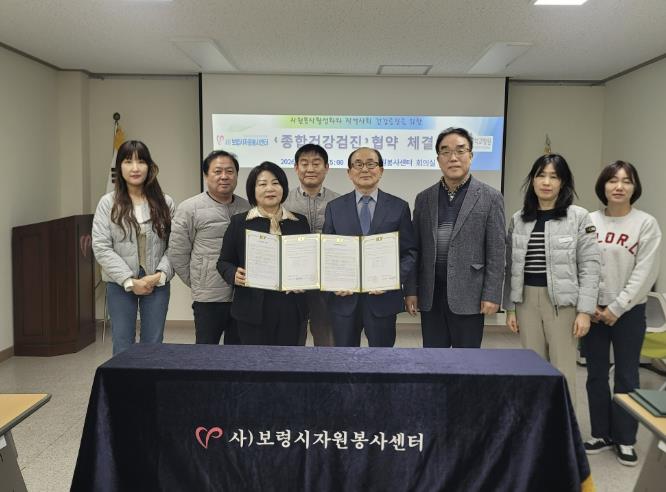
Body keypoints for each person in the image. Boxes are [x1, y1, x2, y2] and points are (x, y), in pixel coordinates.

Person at [504, 153, 600, 407]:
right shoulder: (519, 218)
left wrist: (584, 311)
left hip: (562, 304)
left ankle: (564, 429)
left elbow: (590, 266)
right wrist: (511, 307)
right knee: (532, 369)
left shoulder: (578, 217)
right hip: (526, 302)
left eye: (554, 177)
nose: (546, 182)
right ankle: (537, 425)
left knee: (562, 371)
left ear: (563, 182)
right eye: (541, 176)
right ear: (532, 180)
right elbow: (511, 266)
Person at [583, 161, 661, 466]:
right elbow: (580, 264)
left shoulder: (646, 224)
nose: (619, 187)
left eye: (626, 181)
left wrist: (617, 307)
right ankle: (601, 433)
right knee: (596, 374)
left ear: (634, 187)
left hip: (629, 312)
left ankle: (626, 438)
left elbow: (646, 272)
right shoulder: (589, 221)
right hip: (592, 312)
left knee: (627, 375)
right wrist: (590, 305)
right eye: (613, 180)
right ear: (603, 186)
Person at [405, 127, 505, 348]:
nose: (453, 158)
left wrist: (492, 294)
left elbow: (497, 252)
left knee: (467, 361)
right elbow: (415, 249)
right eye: (445, 152)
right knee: (434, 359)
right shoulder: (424, 198)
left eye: (460, 151)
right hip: (431, 295)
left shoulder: (491, 197)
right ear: (438, 159)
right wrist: (411, 290)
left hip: (470, 294)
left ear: (471, 155)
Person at [322, 147, 417, 347]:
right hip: (344, 300)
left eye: (371, 164)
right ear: (349, 173)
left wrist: (392, 279)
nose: (365, 169)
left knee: (382, 357)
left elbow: (409, 253)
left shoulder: (399, 207)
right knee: (345, 357)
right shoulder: (334, 207)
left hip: (383, 300)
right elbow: (326, 252)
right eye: (358, 164)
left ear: (380, 170)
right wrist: (333, 283)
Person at [92, 140, 174, 355]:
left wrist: (159, 275)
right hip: (120, 283)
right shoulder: (107, 203)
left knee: (153, 343)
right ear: (120, 167)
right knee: (122, 343)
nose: (135, 168)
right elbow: (101, 246)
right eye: (128, 161)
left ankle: (149, 379)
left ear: (150, 167)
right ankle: (124, 380)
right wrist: (129, 281)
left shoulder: (165, 203)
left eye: (141, 162)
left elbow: (175, 246)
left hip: (156, 281)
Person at [217, 161, 309, 345]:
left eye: (275, 183)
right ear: (253, 190)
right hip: (252, 308)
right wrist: (233, 274)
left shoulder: (299, 222)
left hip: (292, 307)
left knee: (289, 358)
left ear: (283, 188)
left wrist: (306, 279)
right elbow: (224, 262)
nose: (270, 189)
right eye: (262, 184)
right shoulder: (239, 223)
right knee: (255, 359)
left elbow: (308, 261)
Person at [168, 150, 250, 345]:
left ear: (237, 175)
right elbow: (177, 253)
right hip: (208, 298)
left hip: (242, 295)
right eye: (217, 171)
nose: (224, 176)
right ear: (206, 175)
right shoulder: (189, 208)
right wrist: (199, 281)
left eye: (229, 171)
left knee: (238, 352)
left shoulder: (247, 207)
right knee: (206, 352)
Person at [284, 144, 339, 346]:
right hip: (293, 281)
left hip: (326, 281)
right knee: (292, 336)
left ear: (326, 167)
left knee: (326, 336)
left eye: (316, 163)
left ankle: (326, 367)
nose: (310, 169)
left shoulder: (339, 201)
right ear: (296, 167)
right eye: (304, 163)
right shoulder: (283, 201)